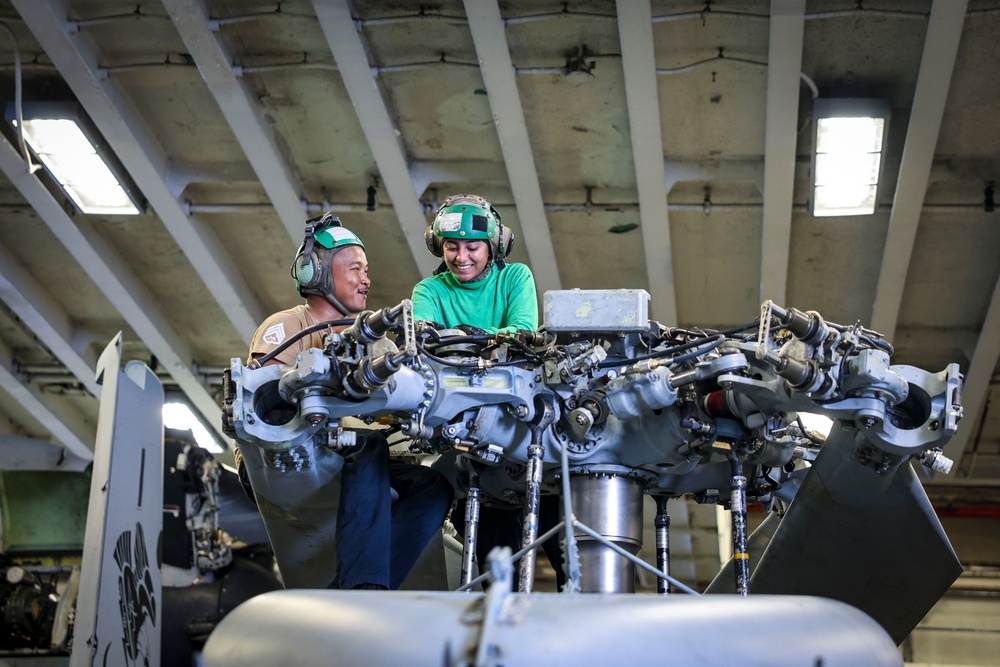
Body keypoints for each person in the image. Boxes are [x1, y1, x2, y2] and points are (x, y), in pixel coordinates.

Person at [236, 212, 453, 591]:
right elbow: (264, 399)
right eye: (355, 268)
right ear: (316, 274)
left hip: (353, 460)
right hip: (290, 456)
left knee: (434, 486)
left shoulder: (380, 344)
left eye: (366, 270)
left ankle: (356, 585)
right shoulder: (286, 326)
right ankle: (363, 589)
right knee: (366, 447)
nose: (366, 279)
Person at [412, 194, 563, 589]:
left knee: (571, 561)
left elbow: (522, 334)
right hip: (468, 445)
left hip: (524, 432)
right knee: (498, 578)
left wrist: (458, 340)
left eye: (472, 246)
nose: (462, 256)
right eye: (452, 246)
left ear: (494, 246)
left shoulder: (515, 278)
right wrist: (484, 340)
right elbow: (424, 346)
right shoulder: (428, 290)